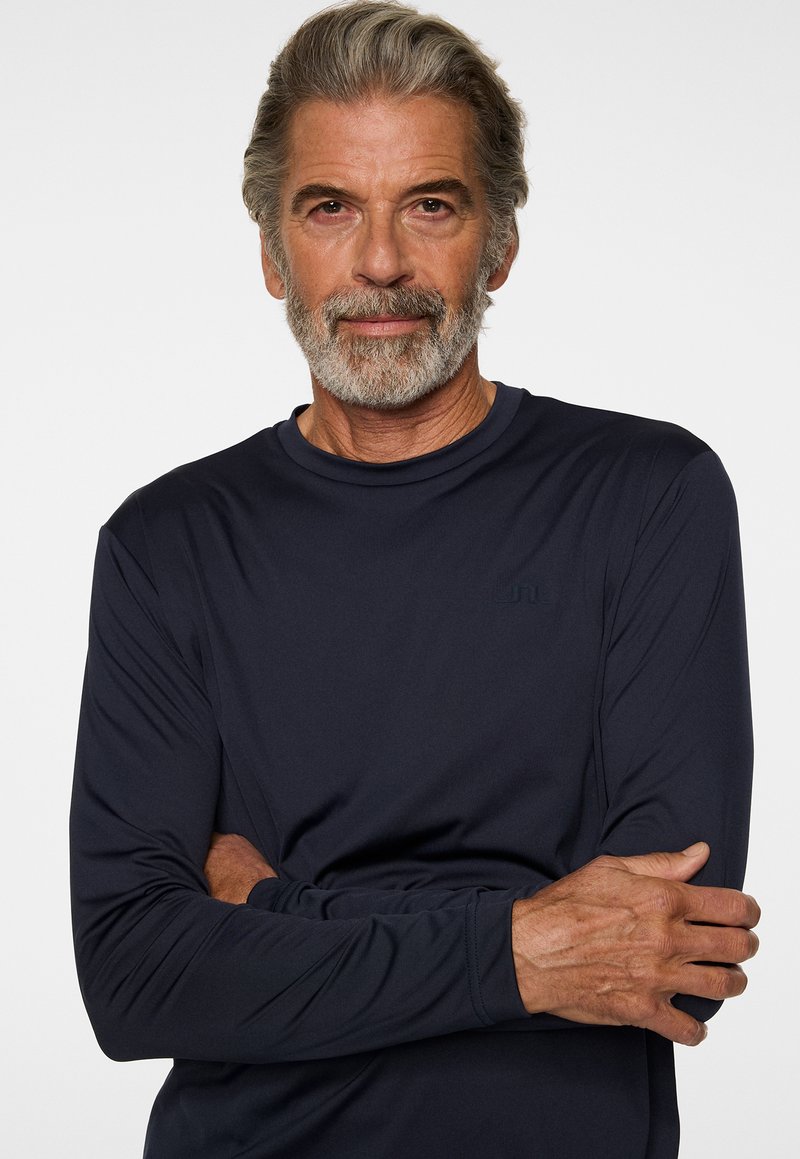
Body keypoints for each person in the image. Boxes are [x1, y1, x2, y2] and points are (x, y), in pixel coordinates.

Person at [69, 3, 759, 1156]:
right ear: (271, 252)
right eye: (329, 208)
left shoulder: (646, 497)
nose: (379, 262)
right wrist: (522, 950)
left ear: (499, 244)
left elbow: (668, 953)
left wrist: (276, 908)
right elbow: (133, 978)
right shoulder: (168, 543)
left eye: (429, 205)